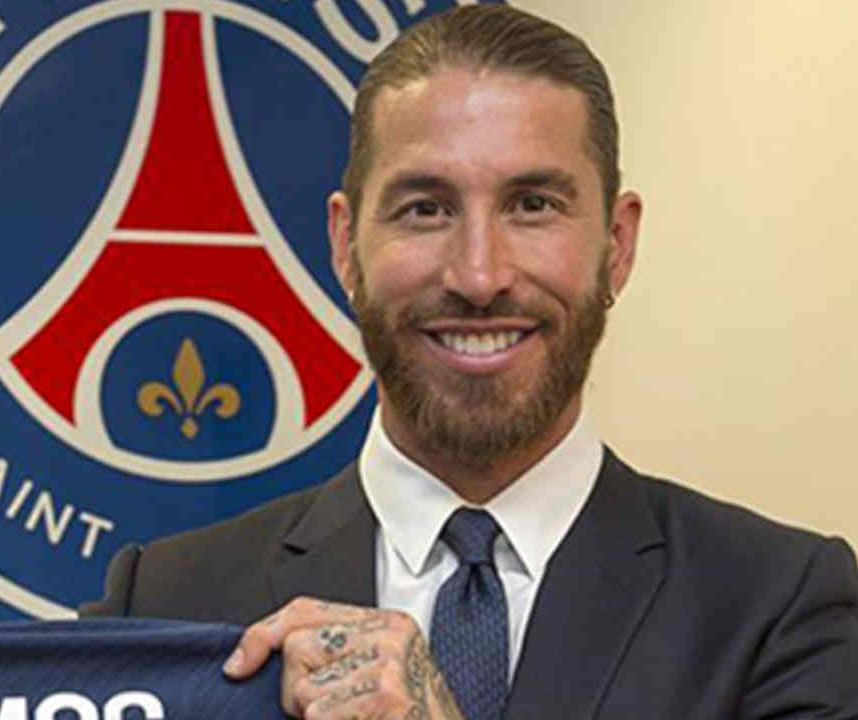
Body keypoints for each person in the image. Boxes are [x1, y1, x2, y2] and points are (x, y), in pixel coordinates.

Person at [81, 5, 858, 718]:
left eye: (533, 206)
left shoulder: (780, 608)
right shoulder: (163, 603)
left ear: (617, 246)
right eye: (426, 209)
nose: (480, 276)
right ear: (345, 246)